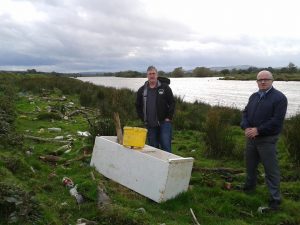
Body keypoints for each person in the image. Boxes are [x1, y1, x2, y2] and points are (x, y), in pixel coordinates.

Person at [240, 70, 288, 211]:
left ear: (272, 80)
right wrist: (247, 127)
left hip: (267, 139)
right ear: (257, 81)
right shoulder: (254, 96)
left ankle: (275, 200)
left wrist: (258, 130)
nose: (263, 81)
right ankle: (249, 189)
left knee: (271, 170)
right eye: (260, 79)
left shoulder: (280, 98)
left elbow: (277, 121)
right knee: (250, 166)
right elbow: (245, 113)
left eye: (266, 79)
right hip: (251, 139)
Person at [136, 66, 175, 152]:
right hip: (150, 124)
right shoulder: (142, 90)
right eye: (150, 74)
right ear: (147, 76)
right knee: (153, 148)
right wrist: (143, 118)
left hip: (164, 122)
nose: (152, 75)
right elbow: (138, 105)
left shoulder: (165, 88)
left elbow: (172, 102)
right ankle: (156, 165)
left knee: (166, 146)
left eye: (153, 73)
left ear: (157, 75)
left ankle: (167, 164)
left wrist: (169, 117)